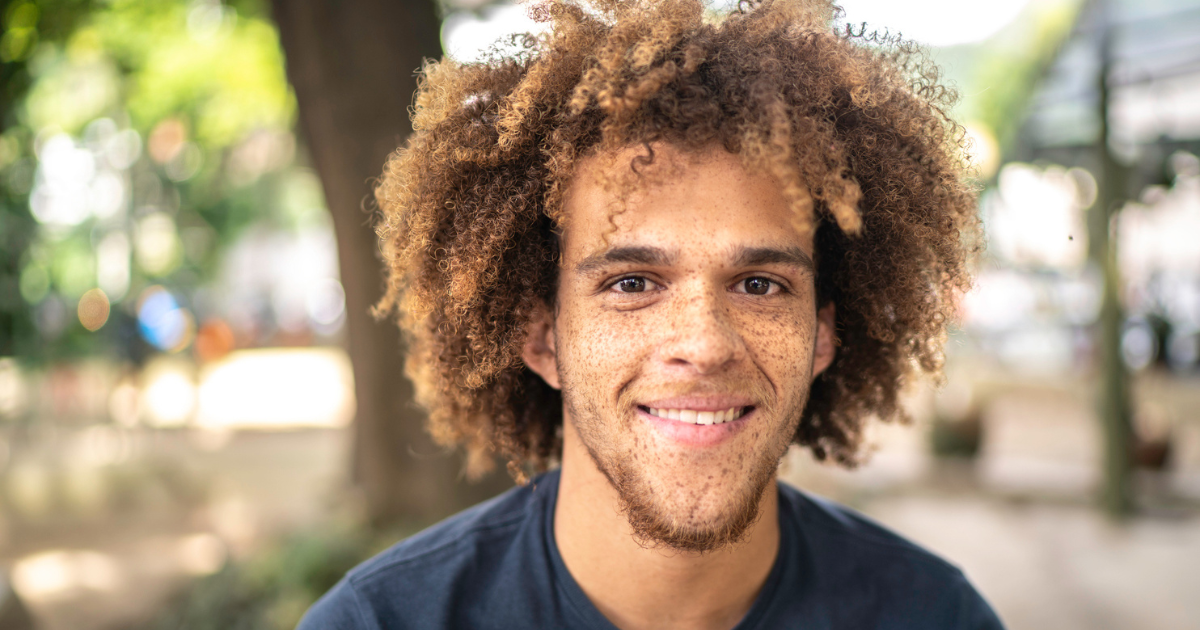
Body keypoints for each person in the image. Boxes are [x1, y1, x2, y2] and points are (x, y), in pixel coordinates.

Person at [298, 0, 1002, 628]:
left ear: (822, 335)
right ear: (541, 338)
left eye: (759, 285)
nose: (703, 342)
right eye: (632, 282)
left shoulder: (936, 615)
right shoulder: (378, 622)